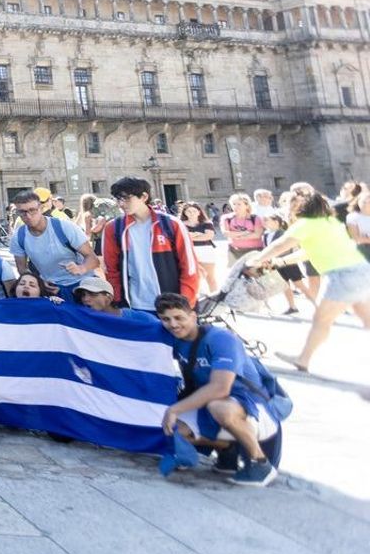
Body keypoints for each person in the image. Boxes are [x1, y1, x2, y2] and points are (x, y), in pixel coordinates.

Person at [155, 294, 283, 486]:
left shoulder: (221, 338)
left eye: (179, 317)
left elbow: (221, 388)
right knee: (173, 429)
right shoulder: (175, 339)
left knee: (218, 406)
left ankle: (260, 463)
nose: (173, 324)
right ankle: (228, 449)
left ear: (193, 316)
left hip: (250, 403)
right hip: (212, 402)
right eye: (166, 319)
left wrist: (174, 409)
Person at [250, 185, 370, 373]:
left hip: (343, 276)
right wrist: (280, 262)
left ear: (299, 207)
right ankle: (303, 359)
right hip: (360, 271)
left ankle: (303, 359)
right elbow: (308, 252)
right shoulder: (329, 222)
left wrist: (255, 260)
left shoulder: (305, 225)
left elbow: (280, 245)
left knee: (322, 319)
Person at [100, 176, 199, 312]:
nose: (121, 204)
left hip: (172, 306)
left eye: (126, 198)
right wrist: (117, 301)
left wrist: (186, 302)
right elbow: (111, 269)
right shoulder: (113, 228)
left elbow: (189, 267)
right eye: (118, 199)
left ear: (144, 197)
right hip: (133, 305)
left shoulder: (171, 224)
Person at [8, 189, 99, 301]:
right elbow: (22, 269)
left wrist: (81, 268)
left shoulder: (64, 227)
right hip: (52, 289)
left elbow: (94, 260)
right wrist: (39, 282)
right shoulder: (19, 236)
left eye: (32, 210)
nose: (28, 216)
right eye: (22, 212)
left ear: (41, 208)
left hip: (82, 287)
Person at [179, 201, 220, 298]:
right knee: (193, 277)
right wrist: (199, 234)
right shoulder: (180, 224)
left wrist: (190, 236)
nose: (192, 213)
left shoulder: (206, 223)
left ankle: (216, 298)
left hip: (205, 251)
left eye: (194, 211)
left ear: (199, 212)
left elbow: (209, 236)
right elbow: (181, 237)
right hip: (189, 251)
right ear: (185, 213)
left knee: (210, 277)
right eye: (189, 211)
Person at [222, 194, 265, 266]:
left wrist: (237, 236)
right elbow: (226, 233)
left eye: (239, 204)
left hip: (254, 250)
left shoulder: (255, 218)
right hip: (234, 251)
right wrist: (245, 233)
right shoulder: (227, 218)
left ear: (246, 205)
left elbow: (257, 235)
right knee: (235, 272)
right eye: (234, 204)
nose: (236, 206)